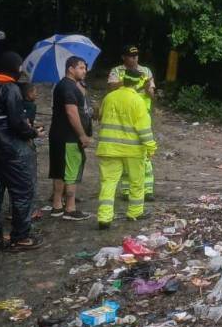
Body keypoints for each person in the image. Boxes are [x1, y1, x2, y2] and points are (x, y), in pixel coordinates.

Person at [0, 52, 42, 251]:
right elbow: (16, 124)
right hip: (12, 152)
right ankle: (20, 237)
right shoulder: (11, 90)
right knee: (22, 192)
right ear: (16, 69)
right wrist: (32, 132)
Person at [95, 70, 157, 230]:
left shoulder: (109, 97)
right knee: (137, 182)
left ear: (123, 80)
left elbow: (100, 117)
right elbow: (144, 129)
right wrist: (151, 147)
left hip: (109, 148)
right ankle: (135, 213)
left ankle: (104, 218)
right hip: (133, 151)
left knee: (108, 183)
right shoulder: (138, 101)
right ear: (138, 83)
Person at [46, 57, 92, 221]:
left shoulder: (67, 86)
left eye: (84, 68)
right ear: (70, 69)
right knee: (71, 172)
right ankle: (70, 209)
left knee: (59, 170)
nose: (84, 71)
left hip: (58, 135)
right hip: (69, 137)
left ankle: (57, 206)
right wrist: (82, 135)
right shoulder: (68, 87)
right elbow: (72, 113)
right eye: (80, 68)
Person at [110, 46, 156, 201]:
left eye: (136, 56)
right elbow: (111, 88)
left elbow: (152, 94)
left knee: (144, 153)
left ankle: (148, 189)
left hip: (142, 115)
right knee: (125, 153)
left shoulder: (146, 71)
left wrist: (147, 87)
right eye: (131, 56)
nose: (134, 59)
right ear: (124, 57)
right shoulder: (117, 71)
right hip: (122, 118)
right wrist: (132, 81)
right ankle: (126, 191)